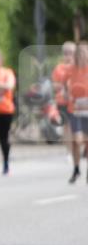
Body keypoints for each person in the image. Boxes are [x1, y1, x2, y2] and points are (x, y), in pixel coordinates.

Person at [64, 41, 88, 183]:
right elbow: (64, 86)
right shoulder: (71, 70)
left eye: (85, 53)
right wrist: (68, 94)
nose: (82, 56)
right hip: (75, 111)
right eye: (80, 53)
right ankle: (76, 168)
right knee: (77, 140)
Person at [53, 41, 77, 177]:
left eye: (71, 53)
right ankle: (69, 153)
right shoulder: (59, 68)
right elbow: (55, 86)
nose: (68, 56)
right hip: (63, 101)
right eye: (66, 53)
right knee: (67, 127)